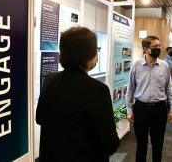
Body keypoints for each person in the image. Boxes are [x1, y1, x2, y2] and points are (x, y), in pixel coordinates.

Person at [36, 27, 120, 162]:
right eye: (96, 50)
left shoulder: (50, 80)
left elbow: (39, 118)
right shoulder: (98, 90)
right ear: (90, 54)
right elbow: (111, 144)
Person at [126, 35, 172, 162]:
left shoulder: (164, 66)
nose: (158, 49)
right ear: (146, 49)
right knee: (141, 145)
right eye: (155, 47)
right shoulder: (136, 66)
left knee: (158, 145)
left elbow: (169, 89)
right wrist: (129, 111)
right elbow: (130, 89)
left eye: (159, 46)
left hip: (159, 109)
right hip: (141, 108)